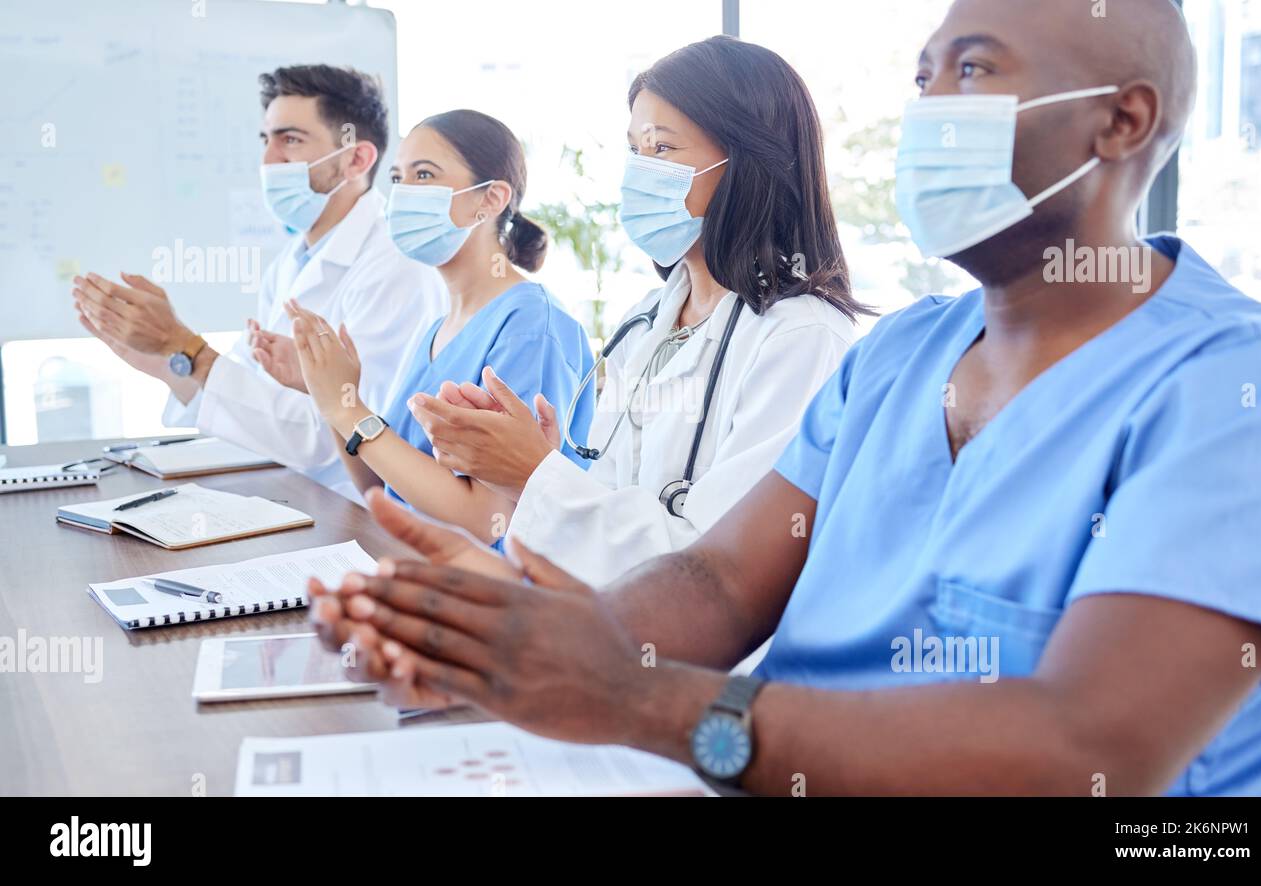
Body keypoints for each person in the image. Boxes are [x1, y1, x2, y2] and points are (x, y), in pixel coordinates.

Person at [310, 0, 1261, 796]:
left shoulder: (1242, 385)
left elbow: (1085, 751)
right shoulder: (906, 352)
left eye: (972, 70)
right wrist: (513, 627)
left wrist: (636, 698)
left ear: (1120, 120)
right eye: (921, 75)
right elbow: (720, 584)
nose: (927, 108)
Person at [403, 37, 862, 587]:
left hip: (712, 664)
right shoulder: (647, 321)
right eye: (635, 151)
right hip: (615, 631)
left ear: (747, 163)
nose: (640, 172)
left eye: (662, 149)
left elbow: (720, 570)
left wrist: (535, 473)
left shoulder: (802, 338)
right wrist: (534, 471)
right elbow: (611, 505)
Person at [70, 65, 445, 502]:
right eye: (265, 140)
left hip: (355, 515)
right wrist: (165, 358)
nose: (268, 161)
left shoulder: (396, 268)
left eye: (290, 140)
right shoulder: (293, 260)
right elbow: (247, 384)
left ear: (356, 159)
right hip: (294, 495)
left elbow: (344, 437)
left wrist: (184, 347)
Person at [286, 109, 594, 545]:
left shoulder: (530, 326)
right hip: (414, 568)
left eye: (425, 175)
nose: (404, 194)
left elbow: (491, 521)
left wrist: (349, 412)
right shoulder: (437, 328)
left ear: (490, 199)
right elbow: (385, 493)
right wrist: (333, 396)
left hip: (494, 599)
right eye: (397, 179)